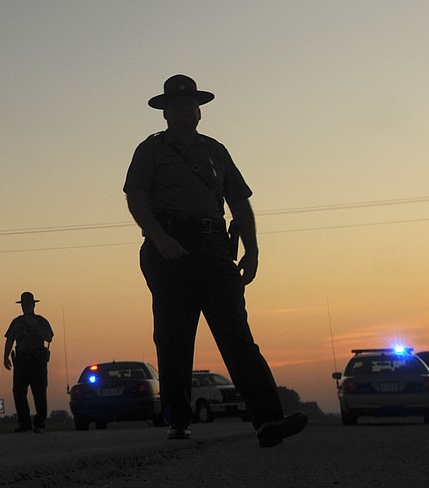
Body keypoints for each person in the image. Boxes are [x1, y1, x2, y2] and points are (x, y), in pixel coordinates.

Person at [123, 74, 307, 447]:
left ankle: (269, 421)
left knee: (238, 336)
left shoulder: (216, 150)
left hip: (215, 248)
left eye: (190, 103)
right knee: (175, 337)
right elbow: (136, 196)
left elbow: (239, 202)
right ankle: (178, 420)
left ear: (199, 110)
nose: (184, 109)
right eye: (176, 104)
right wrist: (160, 238)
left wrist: (252, 250)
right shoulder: (151, 150)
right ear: (165, 112)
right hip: (169, 247)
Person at [3, 291, 54, 433]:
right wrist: (5, 356)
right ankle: (24, 424)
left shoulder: (41, 321)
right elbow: (10, 339)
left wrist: (35, 327)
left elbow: (49, 338)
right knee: (18, 392)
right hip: (21, 361)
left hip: (37, 360)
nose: (26, 307)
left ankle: (40, 424)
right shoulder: (16, 322)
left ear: (33, 305)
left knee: (39, 392)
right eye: (24, 305)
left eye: (28, 304)